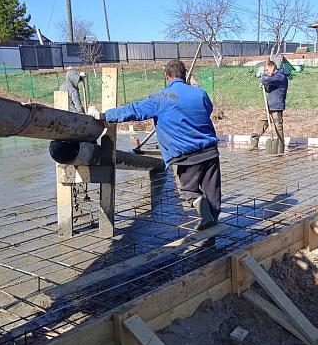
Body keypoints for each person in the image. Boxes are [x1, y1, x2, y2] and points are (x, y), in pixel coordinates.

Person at [88, 60, 220, 231]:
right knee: (213, 192)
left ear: (167, 76)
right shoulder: (200, 93)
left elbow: (133, 111)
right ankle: (213, 227)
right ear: (185, 75)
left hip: (186, 155)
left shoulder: (160, 98)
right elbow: (207, 110)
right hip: (210, 151)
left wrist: (104, 115)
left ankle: (205, 217)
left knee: (189, 190)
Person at [248, 60, 289, 153]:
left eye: (267, 70)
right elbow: (267, 83)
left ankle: (280, 149)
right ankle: (253, 145)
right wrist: (264, 85)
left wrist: (263, 79)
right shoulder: (274, 76)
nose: (266, 72)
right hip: (268, 107)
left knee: (278, 128)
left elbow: (266, 79)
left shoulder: (280, 76)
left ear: (272, 68)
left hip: (277, 107)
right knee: (259, 123)